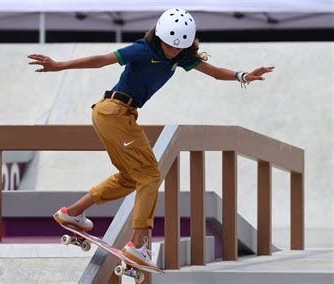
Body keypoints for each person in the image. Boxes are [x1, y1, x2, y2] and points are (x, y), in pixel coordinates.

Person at [28, 8, 274, 267]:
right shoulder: (143, 49)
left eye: (179, 48)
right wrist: (59, 66)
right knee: (150, 175)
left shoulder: (180, 58)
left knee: (130, 178)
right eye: (169, 46)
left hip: (115, 114)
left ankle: (72, 213)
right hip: (114, 112)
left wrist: (242, 76)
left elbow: (213, 72)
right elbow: (102, 59)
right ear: (159, 37)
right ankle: (139, 244)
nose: (173, 52)